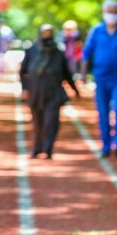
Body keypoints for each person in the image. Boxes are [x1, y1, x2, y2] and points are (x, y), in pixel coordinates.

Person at [81, 0, 117, 158]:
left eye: (114, 11)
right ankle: (106, 146)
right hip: (101, 78)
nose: (111, 14)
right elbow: (86, 53)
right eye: (109, 11)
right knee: (103, 112)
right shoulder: (96, 31)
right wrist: (82, 74)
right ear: (103, 12)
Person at [20, 24, 80, 159]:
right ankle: (37, 148)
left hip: (54, 92)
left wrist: (75, 89)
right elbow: (23, 72)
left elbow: (66, 74)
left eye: (50, 33)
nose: (47, 36)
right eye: (45, 33)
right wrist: (24, 88)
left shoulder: (58, 53)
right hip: (36, 92)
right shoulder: (32, 51)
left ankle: (48, 148)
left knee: (51, 122)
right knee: (37, 122)